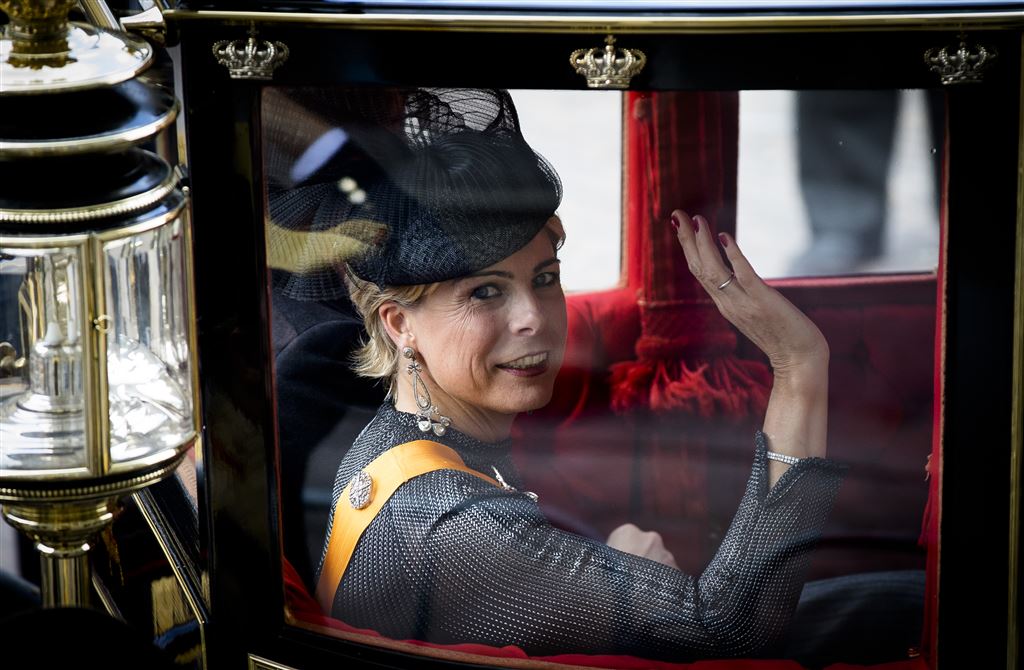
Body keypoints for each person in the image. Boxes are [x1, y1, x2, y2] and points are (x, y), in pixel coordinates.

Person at [298, 88, 844, 661]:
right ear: (399, 324)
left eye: (544, 278)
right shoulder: (455, 526)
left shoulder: (395, 441)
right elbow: (729, 629)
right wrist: (798, 363)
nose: (534, 318)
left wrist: (612, 565)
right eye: (484, 292)